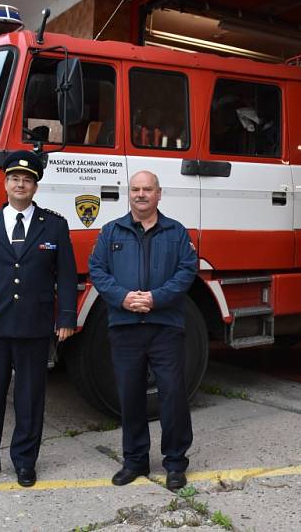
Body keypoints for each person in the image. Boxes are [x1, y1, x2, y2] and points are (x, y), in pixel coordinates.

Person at [0, 150, 77, 489]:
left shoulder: (54, 224)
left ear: (35, 186)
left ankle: (25, 463)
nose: (20, 184)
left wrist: (66, 316)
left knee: (29, 400)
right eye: (15, 178)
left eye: (27, 180)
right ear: (6, 183)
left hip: (34, 326)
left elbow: (66, 275)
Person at [88, 170, 198, 491]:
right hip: (125, 328)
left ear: (158, 194)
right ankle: (134, 461)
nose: (141, 194)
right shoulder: (111, 232)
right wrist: (123, 298)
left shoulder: (176, 233)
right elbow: (98, 269)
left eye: (147, 189)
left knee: (173, 395)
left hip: (165, 327)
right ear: (129, 194)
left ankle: (175, 462)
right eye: (135, 189)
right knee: (131, 396)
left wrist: (154, 298)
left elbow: (186, 271)